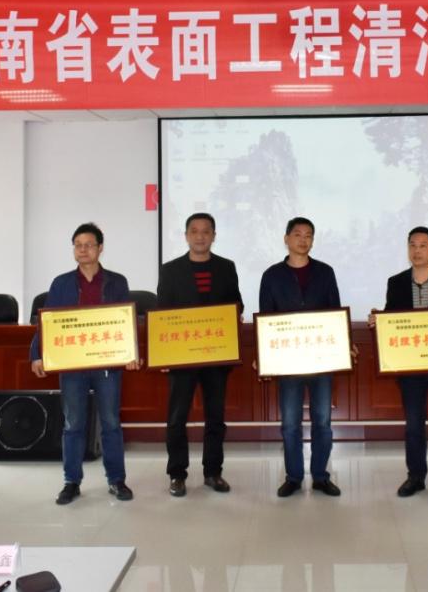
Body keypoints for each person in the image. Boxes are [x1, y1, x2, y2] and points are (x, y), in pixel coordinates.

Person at [31, 222, 139, 505]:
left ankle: (116, 480)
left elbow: (125, 321)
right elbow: (47, 323)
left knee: (111, 423)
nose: (83, 250)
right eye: (78, 245)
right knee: (73, 424)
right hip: (72, 366)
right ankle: (71, 482)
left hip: (107, 366)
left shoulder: (117, 282)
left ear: (100, 248)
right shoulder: (61, 283)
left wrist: (132, 352)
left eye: (89, 245)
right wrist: (36, 354)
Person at [369, 226, 428, 499]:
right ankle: (416, 476)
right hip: (411, 369)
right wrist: (379, 320)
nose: (417, 250)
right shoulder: (396, 282)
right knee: (413, 425)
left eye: (423, 245)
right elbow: (392, 319)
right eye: (412, 245)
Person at [258, 216, 350, 498]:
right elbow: (266, 318)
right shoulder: (272, 275)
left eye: (308, 235)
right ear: (286, 239)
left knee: (322, 422)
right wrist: (263, 354)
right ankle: (294, 477)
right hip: (288, 362)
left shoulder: (325, 272)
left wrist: (344, 343)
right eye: (297, 234)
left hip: (322, 359)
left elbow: (334, 312)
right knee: (290, 424)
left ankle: (321, 476)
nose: (303, 239)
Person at [157, 212, 243, 497]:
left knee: (215, 416)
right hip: (182, 356)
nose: (200, 236)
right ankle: (177, 474)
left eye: (206, 231)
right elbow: (162, 313)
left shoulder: (226, 267)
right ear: (186, 236)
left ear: (214, 236)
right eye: (194, 231)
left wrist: (232, 316)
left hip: (216, 356)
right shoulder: (170, 270)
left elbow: (237, 304)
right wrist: (164, 354)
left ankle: (213, 472)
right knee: (176, 417)